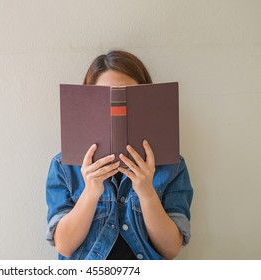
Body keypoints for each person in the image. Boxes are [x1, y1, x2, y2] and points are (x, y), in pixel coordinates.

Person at [45, 50, 193, 260]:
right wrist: (90, 192)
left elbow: (171, 249)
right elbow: (64, 246)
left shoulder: (172, 165)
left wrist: (147, 193)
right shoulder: (64, 165)